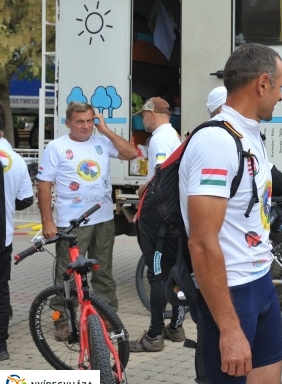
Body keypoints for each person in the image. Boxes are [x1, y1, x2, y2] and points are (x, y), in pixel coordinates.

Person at [180, 43, 282, 384]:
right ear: (263, 83)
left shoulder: (251, 134)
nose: (281, 97)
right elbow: (202, 242)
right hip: (231, 292)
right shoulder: (215, 141)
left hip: (261, 283)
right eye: (281, 87)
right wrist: (228, 328)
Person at [37, 101, 138, 340]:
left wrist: (105, 130)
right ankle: (63, 320)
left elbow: (132, 153)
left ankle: (106, 317)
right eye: (79, 121)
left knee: (103, 269)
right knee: (68, 272)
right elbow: (43, 184)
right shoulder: (57, 147)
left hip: (103, 219)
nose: (85, 126)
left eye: (90, 121)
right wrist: (47, 222)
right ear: (68, 123)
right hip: (71, 222)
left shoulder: (102, 141)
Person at [131, 96, 185, 353]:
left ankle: (153, 335)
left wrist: (143, 189)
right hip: (172, 217)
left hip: (160, 221)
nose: (143, 120)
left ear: (153, 114)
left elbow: (161, 172)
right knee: (175, 272)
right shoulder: (173, 136)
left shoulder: (160, 139)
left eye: (144, 115)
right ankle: (175, 326)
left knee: (157, 275)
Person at [0, 109, 34, 360]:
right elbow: (26, 200)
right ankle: (1, 346)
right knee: (1, 290)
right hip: (3, 237)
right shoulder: (16, 159)